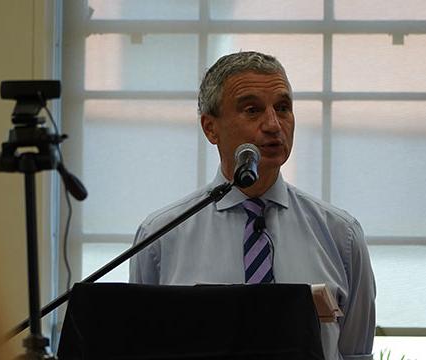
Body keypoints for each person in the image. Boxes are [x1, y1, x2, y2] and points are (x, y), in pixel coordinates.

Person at [129, 51, 376, 360]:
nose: (273, 124)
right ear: (210, 128)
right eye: (252, 110)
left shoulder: (342, 236)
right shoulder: (161, 237)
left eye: (283, 108)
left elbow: (355, 353)